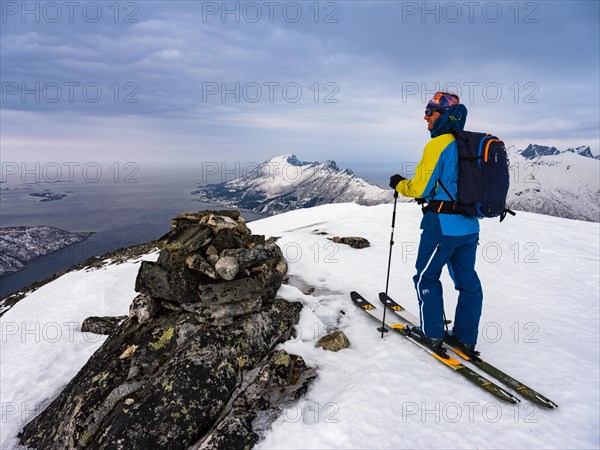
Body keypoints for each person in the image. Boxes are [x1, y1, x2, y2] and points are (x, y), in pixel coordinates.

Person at [389, 92, 482, 359]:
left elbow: (420, 186)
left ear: (444, 116)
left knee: (426, 277)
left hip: (441, 226)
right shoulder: (470, 144)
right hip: (469, 227)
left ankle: (432, 334)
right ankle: (465, 338)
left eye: (430, 112)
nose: (425, 117)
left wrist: (399, 184)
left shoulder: (438, 144)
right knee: (467, 282)